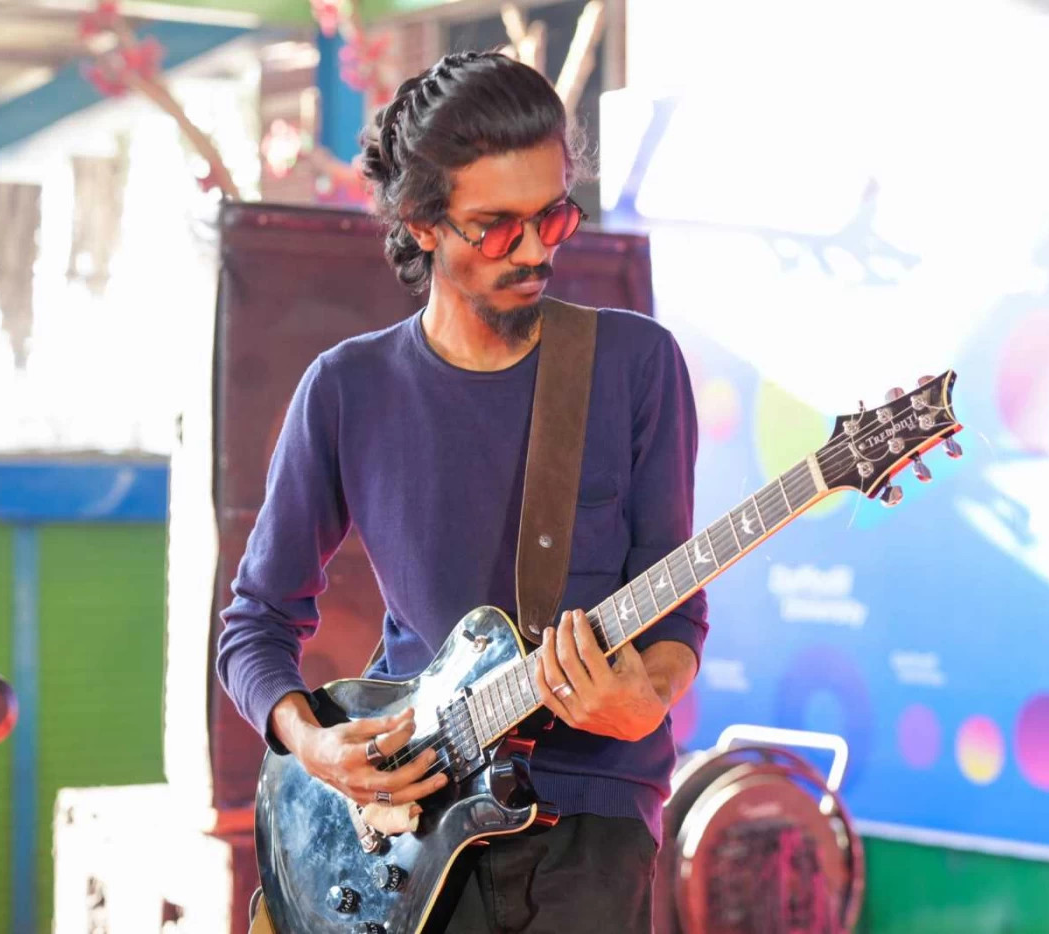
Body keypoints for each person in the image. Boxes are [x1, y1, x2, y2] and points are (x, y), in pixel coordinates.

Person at [216, 49, 708, 933]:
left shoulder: (636, 365)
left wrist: (647, 699)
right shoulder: (348, 388)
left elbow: (675, 613)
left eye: (552, 216)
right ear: (421, 224)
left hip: (592, 824)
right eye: (496, 227)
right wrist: (315, 744)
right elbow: (255, 623)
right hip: (407, 827)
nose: (536, 250)